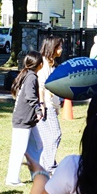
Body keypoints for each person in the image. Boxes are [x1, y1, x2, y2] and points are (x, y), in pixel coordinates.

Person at [5, 51, 45, 186]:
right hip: (23, 119)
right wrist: (38, 110)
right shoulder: (31, 77)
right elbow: (30, 96)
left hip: (29, 120)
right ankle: (12, 179)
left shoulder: (28, 75)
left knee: (37, 145)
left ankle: (37, 174)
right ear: (40, 64)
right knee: (19, 149)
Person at [38, 36, 64, 174]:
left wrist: (57, 105)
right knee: (55, 134)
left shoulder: (52, 64)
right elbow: (41, 86)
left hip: (51, 104)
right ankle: (49, 165)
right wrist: (42, 104)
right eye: (59, 46)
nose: (61, 49)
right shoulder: (43, 63)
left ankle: (47, 164)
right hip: (46, 105)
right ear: (52, 47)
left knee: (49, 136)